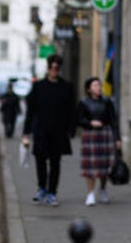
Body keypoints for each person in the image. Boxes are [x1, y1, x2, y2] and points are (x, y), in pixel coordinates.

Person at [22, 54, 77, 207]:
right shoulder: (38, 87)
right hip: (41, 131)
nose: (54, 70)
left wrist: (71, 128)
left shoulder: (66, 87)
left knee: (55, 163)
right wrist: (26, 133)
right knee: (40, 160)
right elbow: (30, 111)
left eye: (57, 68)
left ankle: (52, 192)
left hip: (58, 132)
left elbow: (71, 110)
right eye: (52, 67)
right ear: (48, 68)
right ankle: (41, 188)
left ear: (59, 69)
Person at [77, 77, 121, 206]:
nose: (98, 88)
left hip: (105, 134)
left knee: (105, 165)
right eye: (95, 86)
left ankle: (102, 189)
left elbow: (113, 120)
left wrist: (117, 138)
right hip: (90, 135)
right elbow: (78, 120)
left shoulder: (107, 101)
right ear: (89, 89)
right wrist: (90, 123)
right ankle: (90, 193)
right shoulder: (83, 102)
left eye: (99, 85)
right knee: (90, 166)